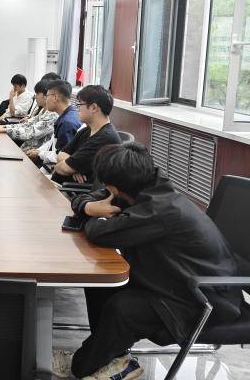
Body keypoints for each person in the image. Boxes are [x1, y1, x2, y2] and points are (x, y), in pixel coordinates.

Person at [64, 143, 242, 380]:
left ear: (114, 188)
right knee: (101, 283)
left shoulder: (160, 209)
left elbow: (100, 233)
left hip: (203, 299)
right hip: (175, 280)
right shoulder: (144, 184)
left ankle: (80, 367)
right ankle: (114, 359)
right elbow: (91, 199)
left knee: (123, 308)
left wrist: (90, 214)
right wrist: (88, 206)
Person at [50, 85, 121, 185]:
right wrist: (74, 168)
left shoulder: (103, 139)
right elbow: (61, 154)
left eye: (79, 105)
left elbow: (62, 169)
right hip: (61, 186)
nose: (77, 109)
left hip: (71, 191)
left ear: (93, 108)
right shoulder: (87, 130)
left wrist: (65, 166)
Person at [0, 79, 58, 152]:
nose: (35, 97)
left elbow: (31, 132)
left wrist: (5, 130)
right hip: (27, 146)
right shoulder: (44, 111)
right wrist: (4, 127)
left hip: (34, 152)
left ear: (46, 96)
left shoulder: (52, 116)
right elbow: (27, 125)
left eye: (37, 94)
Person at [26, 80, 81, 166]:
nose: (46, 99)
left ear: (55, 97)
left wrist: (39, 154)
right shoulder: (66, 115)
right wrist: (38, 151)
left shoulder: (67, 123)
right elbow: (53, 142)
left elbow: (60, 156)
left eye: (47, 96)